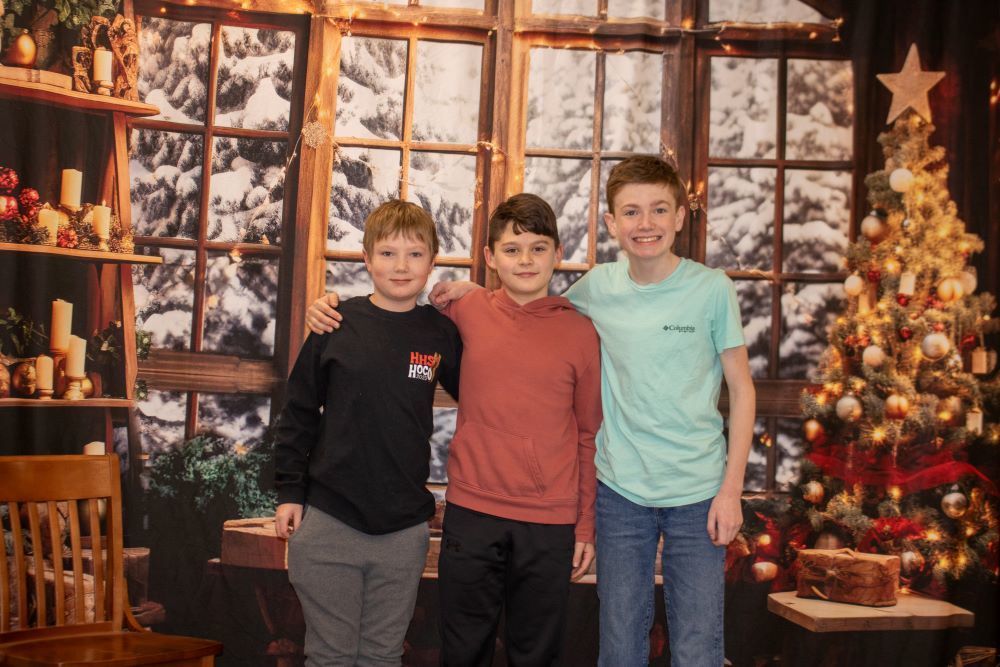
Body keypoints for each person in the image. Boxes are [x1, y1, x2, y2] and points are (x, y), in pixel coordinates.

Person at [426, 156, 755, 666]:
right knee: (619, 642)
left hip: (698, 492)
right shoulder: (598, 287)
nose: (645, 223)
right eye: (631, 212)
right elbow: (533, 306)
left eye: (659, 209)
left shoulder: (711, 288)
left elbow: (743, 390)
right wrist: (474, 293)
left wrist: (731, 491)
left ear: (680, 216)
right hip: (621, 491)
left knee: (697, 644)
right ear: (611, 223)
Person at [307, 193, 602, 666]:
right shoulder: (464, 310)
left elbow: (589, 435)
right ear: (490, 257)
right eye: (511, 249)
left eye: (538, 248)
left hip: (549, 521)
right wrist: (326, 307)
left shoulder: (581, 333)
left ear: (558, 253)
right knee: (462, 651)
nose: (525, 260)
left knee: (537, 654)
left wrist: (585, 525)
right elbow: (393, 314)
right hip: (472, 512)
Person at [274, 200, 462, 666]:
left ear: (432, 261)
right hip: (330, 517)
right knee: (330, 656)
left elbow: (484, 395)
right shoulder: (335, 322)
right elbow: (299, 410)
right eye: (388, 253)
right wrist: (290, 492)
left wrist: (474, 296)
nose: (401, 266)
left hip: (403, 527)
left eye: (415, 254)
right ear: (366, 258)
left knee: (382, 656)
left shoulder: (441, 333)